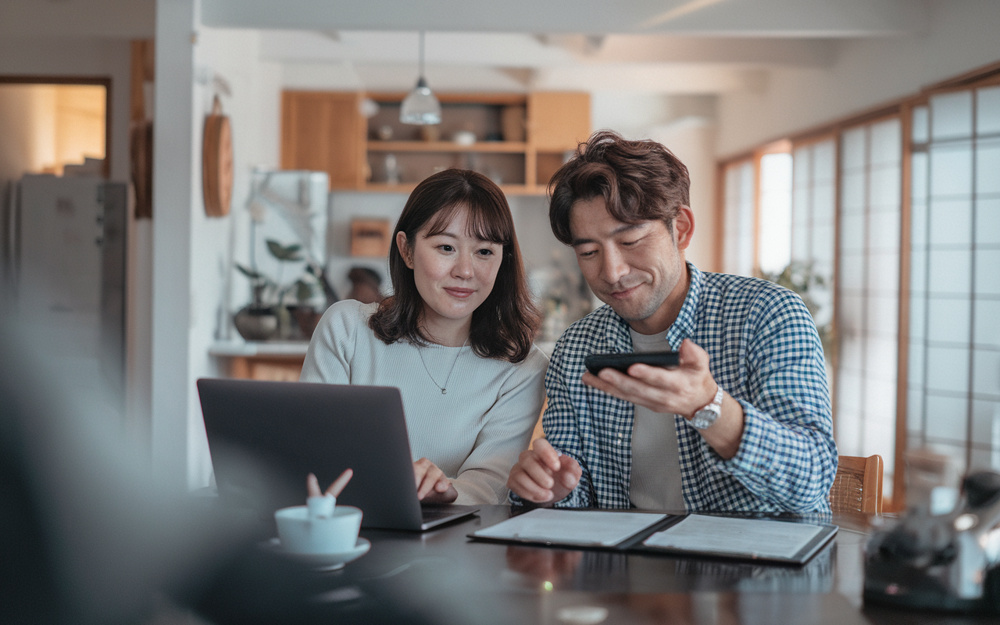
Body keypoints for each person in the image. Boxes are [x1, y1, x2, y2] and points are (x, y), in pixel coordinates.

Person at [507, 130, 837, 513]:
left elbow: (812, 483)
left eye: (630, 242)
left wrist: (708, 406)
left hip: (751, 551)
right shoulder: (576, 349)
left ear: (680, 229)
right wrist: (549, 489)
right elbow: (572, 492)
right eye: (589, 252)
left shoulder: (768, 315)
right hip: (623, 552)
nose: (612, 272)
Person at [301, 169, 547, 505]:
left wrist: (443, 490)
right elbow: (311, 453)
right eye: (446, 247)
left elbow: (490, 486)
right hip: (348, 525)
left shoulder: (523, 368)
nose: (465, 271)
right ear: (407, 250)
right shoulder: (346, 330)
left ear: (503, 260)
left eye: (484, 252)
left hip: (461, 535)